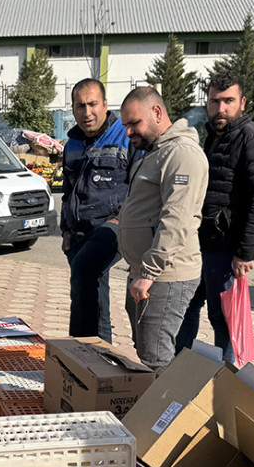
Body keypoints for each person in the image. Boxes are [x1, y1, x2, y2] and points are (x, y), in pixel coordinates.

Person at [175, 72, 254, 363]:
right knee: (187, 308)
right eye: (215, 101)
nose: (221, 108)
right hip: (200, 245)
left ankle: (227, 381)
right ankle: (178, 372)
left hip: (227, 250)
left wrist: (245, 252)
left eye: (228, 101)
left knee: (224, 321)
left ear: (242, 103)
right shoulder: (212, 138)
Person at [116, 87, 208, 372]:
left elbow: (176, 220)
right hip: (147, 272)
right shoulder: (156, 152)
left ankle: (164, 415)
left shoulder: (181, 154)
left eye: (134, 124)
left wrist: (148, 272)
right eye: (126, 126)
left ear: (157, 112)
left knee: (156, 358)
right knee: (146, 349)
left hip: (165, 274)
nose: (129, 132)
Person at [59, 78, 131, 342]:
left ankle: (80, 352)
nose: (87, 112)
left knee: (85, 273)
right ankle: (94, 359)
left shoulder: (126, 136)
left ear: (105, 105)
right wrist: (66, 229)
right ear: (73, 109)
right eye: (80, 106)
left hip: (114, 227)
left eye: (92, 104)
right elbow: (68, 192)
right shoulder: (72, 145)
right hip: (79, 233)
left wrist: (120, 219)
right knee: (88, 295)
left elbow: (141, 187)